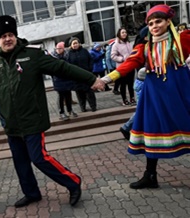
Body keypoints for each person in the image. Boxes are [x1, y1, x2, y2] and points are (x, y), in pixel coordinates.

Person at [0, 15, 104, 208]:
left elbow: (62, 68)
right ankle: (31, 193)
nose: (7, 39)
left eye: (10, 35)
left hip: (33, 119)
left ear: (15, 36)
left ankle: (73, 182)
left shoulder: (33, 55)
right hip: (11, 123)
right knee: (20, 162)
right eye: (3, 37)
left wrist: (91, 79)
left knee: (39, 158)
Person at [101, 4, 190, 189]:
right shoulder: (144, 47)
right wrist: (107, 79)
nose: (154, 26)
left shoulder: (182, 40)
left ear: (168, 22)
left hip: (181, 94)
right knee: (152, 131)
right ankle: (150, 176)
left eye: (158, 21)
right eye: (150, 23)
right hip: (154, 97)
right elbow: (129, 63)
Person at [66, 37, 97, 112]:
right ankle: (83, 107)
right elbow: (68, 65)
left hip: (87, 75)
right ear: (71, 45)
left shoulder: (84, 51)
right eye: (73, 44)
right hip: (76, 77)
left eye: (76, 43)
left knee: (90, 92)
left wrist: (90, 69)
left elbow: (90, 60)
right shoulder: (69, 54)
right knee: (80, 93)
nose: (75, 45)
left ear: (79, 44)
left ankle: (93, 107)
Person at [51, 41, 77, 120]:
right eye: (57, 48)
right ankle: (61, 112)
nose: (58, 50)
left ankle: (70, 110)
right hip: (58, 79)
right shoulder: (53, 57)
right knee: (61, 96)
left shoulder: (67, 55)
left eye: (60, 48)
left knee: (68, 95)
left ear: (63, 49)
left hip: (66, 78)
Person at [111, 27, 136, 106]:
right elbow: (113, 56)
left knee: (130, 84)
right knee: (123, 84)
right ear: (119, 34)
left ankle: (132, 98)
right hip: (122, 67)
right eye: (122, 32)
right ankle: (124, 99)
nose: (124, 34)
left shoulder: (128, 43)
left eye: (125, 32)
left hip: (131, 66)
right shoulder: (116, 45)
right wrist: (122, 59)